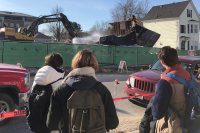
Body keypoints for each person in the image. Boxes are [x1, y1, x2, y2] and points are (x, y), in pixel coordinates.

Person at [46, 49, 119, 133]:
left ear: (75, 64)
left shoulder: (60, 91)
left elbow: (51, 124)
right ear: (94, 65)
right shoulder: (102, 90)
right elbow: (113, 123)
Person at [152, 46, 191, 133]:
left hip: (171, 127)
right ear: (177, 59)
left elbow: (157, 113)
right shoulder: (187, 74)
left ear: (161, 61)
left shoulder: (165, 82)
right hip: (187, 123)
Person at [29, 53, 65, 133]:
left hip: (36, 118)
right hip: (50, 122)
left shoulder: (40, 73)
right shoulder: (58, 77)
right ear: (59, 63)